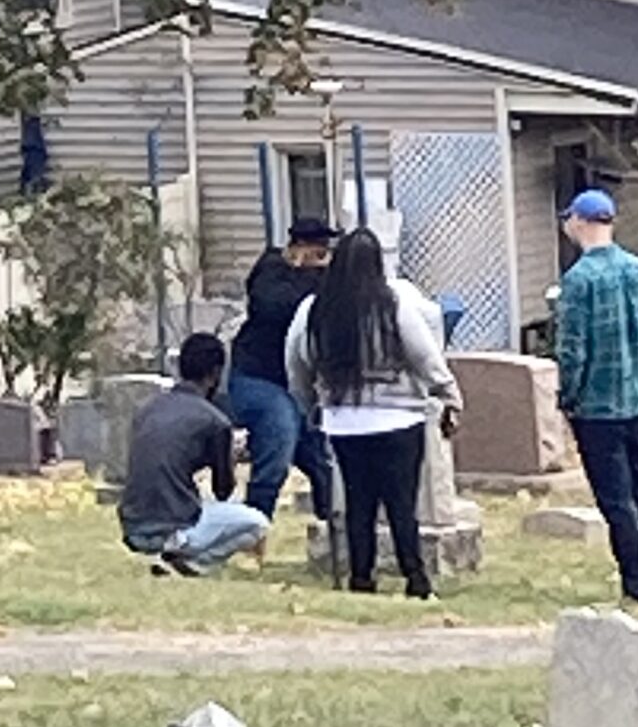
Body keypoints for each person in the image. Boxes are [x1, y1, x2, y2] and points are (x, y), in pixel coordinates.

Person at [286, 227, 461, 599]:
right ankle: (415, 578)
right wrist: (449, 394)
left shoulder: (315, 309)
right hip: (399, 418)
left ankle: (361, 577)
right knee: (401, 503)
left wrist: (311, 405)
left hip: (345, 421)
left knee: (358, 502)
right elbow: (424, 355)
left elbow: (296, 362)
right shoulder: (394, 304)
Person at [554, 187, 638, 607]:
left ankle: (637, 582)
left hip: (597, 405)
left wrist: (568, 397)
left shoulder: (578, 281)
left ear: (580, 222)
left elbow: (573, 350)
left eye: (569, 218)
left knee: (616, 499)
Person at [119, 334, 270, 576]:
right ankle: (193, 562)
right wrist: (229, 454)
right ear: (216, 373)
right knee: (257, 524)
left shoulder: (148, 409)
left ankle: (173, 557)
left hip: (133, 524)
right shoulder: (214, 420)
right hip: (173, 526)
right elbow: (223, 491)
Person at [228, 218, 336, 520]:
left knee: (319, 457)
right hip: (256, 377)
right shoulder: (271, 269)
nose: (322, 257)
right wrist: (305, 272)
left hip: (296, 384)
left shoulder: (322, 279)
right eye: (317, 250)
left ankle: (333, 526)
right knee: (278, 439)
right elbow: (273, 305)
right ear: (299, 247)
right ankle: (253, 527)